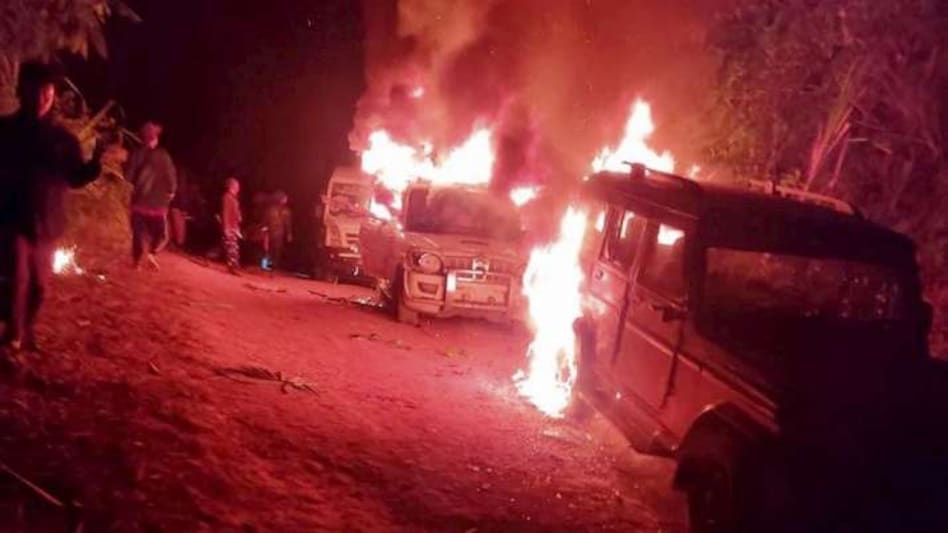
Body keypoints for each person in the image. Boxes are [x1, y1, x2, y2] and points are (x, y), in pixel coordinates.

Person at [0, 61, 103, 352]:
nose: (42, 97)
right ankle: (13, 337)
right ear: (22, 91)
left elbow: (74, 178)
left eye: (47, 91)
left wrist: (94, 166)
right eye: (36, 90)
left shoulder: (63, 141)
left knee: (39, 286)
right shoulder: (5, 131)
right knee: (17, 277)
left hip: (48, 224)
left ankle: (24, 329)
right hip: (11, 220)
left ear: (53, 95)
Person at [125, 121, 176, 270]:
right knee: (162, 235)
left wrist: (131, 192)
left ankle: (137, 261)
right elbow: (171, 176)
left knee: (138, 234)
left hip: (139, 202)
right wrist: (171, 192)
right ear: (155, 138)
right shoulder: (163, 155)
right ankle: (152, 253)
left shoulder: (136, 154)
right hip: (158, 204)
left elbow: (128, 177)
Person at [262, 191, 293, 270]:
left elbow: (287, 223)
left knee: (276, 250)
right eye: (284, 198)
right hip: (271, 232)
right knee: (268, 250)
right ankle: (265, 266)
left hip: (279, 233)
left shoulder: (286, 211)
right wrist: (264, 230)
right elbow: (266, 220)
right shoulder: (271, 210)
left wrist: (289, 233)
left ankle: (272, 266)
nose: (286, 200)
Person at [221, 177, 243, 274]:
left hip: (234, 227)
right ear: (232, 186)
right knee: (231, 248)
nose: (238, 188)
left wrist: (239, 218)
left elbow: (236, 213)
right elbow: (226, 212)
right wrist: (226, 227)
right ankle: (232, 267)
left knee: (234, 247)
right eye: (237, 186)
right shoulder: (227, 197)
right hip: (230, 227)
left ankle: (234, 266)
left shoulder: (234, 199)